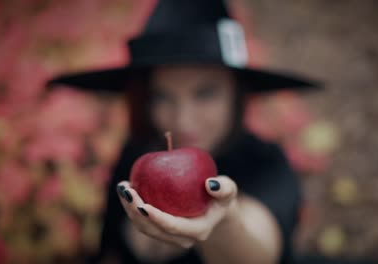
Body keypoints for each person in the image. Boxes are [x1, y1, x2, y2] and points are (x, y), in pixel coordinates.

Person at [48, 0, 321, 263]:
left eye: (205, 94)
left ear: (236, 94)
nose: (182, 121)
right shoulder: (135, 154)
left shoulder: (264, 162)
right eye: (161, 97)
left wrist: (223, 223)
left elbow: (259, 251)